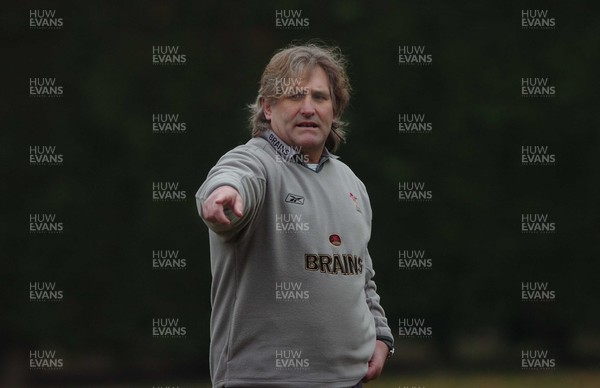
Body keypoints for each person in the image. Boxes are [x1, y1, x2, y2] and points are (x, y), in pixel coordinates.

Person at [196, 43, 394, 388]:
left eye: (319, 97)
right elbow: (235, 175)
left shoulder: (351, 183)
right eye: (294, 97)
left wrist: (380, 334)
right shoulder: (257, 163)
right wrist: (224, 193)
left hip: (350, 380)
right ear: (268, 108)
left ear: (335, 109)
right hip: (264, 379)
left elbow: (361, 273)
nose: (308, 108)